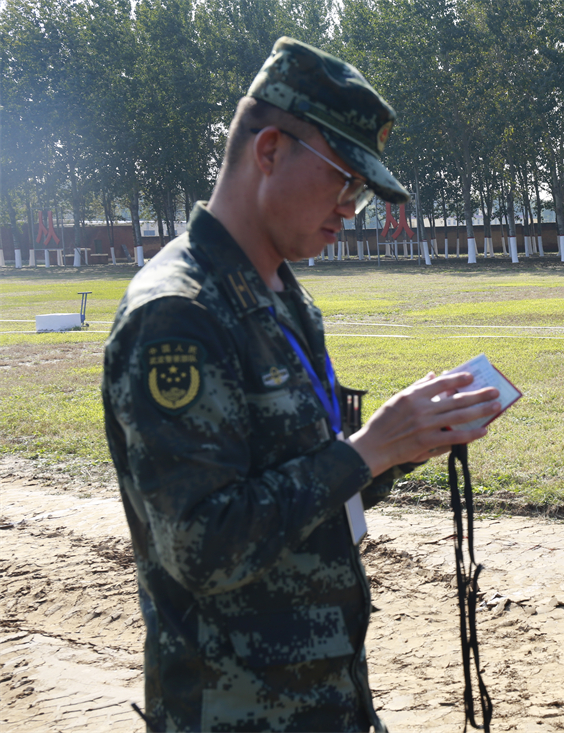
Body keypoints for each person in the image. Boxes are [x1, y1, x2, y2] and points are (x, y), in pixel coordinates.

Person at [101, 37, 501, 732]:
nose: (352, 207)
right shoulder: (177, 317)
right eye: (345, 180)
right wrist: (369, 450)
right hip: (234, 714)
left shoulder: (283, 299)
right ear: (269, 151)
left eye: (362, 192)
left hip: (328, 699)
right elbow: (202, 546)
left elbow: (310, 485)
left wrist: (400, 446)